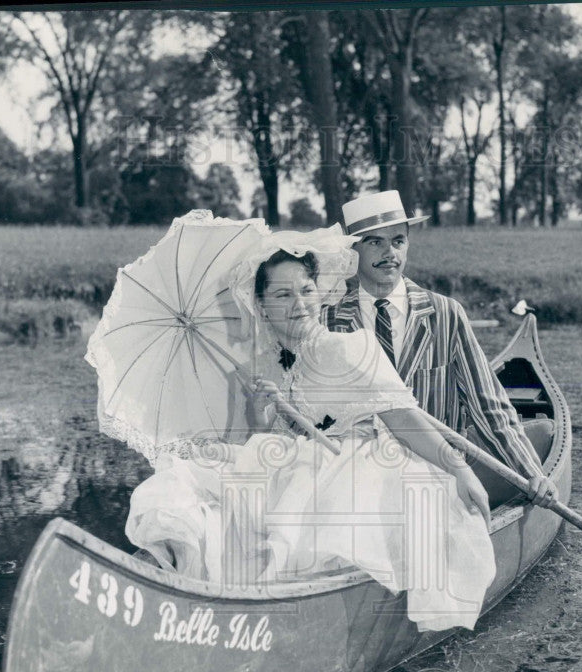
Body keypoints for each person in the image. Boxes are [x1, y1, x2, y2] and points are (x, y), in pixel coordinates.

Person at [125, 228, 496, 632]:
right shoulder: (270, 365)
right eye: (283, 295)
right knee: (199, 482)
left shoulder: (346, 347)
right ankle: (176, 591)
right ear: (262, 306)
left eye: (306, 290)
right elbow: (266, 443)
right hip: (300, 467)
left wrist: (458, 469)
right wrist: (259, 410)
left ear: (320, 293)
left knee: (307, 527)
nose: (299, 303)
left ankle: (291, 615)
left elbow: (404, 419)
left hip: (363, 467)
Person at [324, 190, 558, 509]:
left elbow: (488, 406)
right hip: (363, 484)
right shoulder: (331, 320)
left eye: (397, 241)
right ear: (353, 250)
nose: (389, 252)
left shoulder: (446, 313)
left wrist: (533, 473)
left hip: (440, 479)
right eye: (374, 242)